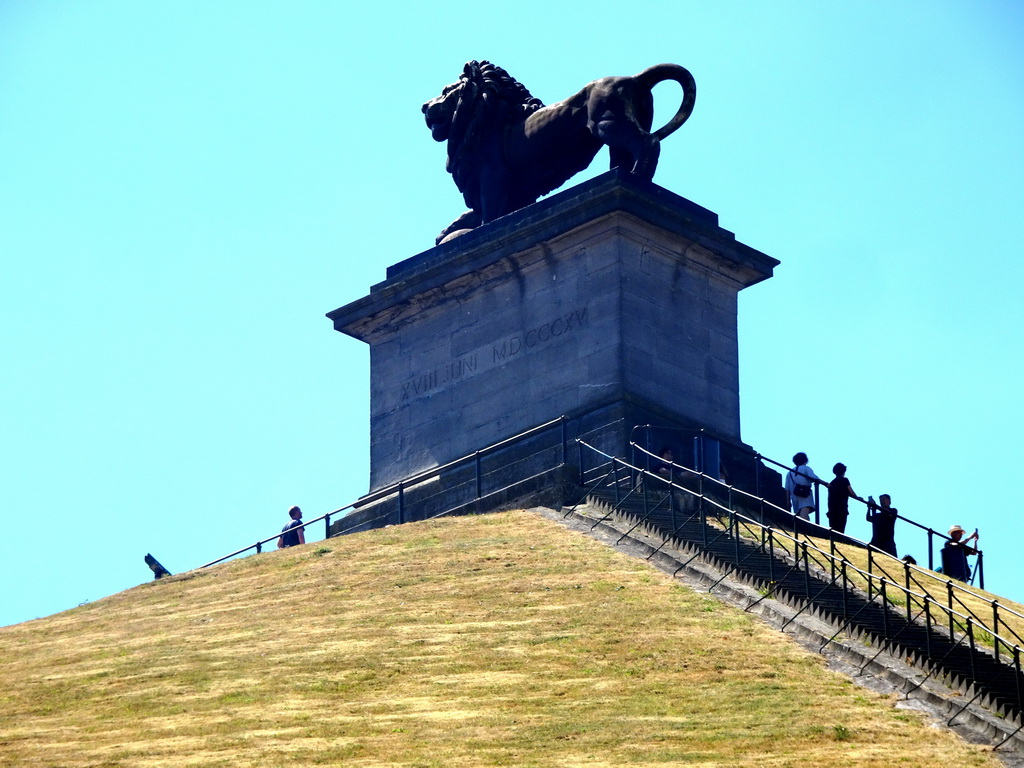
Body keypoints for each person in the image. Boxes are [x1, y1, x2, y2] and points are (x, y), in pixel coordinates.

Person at [785, 452, 820, 520]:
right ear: (805, 460)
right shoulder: (806, 468)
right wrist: (825, 483)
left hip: (794, 496)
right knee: (804, 515)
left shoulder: (789, 473)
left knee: (799, 515)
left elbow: (787, 489)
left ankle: (805, 529)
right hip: (805, 495)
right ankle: (804, 529)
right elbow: (814, 478)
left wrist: (788, 501)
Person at [826, 462, 858, 533]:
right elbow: (851, 492)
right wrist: (857, 497)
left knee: (833, 530)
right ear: (844, 471)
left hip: (832, 509)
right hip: (842, 509)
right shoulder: (844, 480)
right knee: (840, 530)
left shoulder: (832, 483)